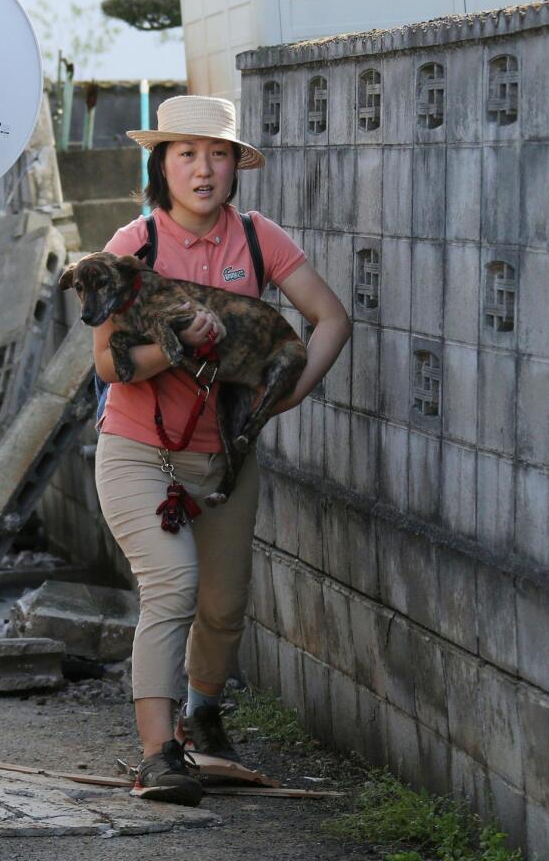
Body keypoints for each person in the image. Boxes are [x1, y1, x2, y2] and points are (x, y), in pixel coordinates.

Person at [92, 95, 350, 806]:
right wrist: (179, 344)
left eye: (217, 154)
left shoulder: (259, 239)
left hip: (225, 457)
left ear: (236, 165)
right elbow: (109, 366)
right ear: (162, 164)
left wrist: (284, 395)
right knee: (171, 586)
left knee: (225, 604)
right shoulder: (134, 246)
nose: (203, 170)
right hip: (139, 450)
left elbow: (331, 316)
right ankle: (158, 756)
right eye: (186, 154)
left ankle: (203, 714)